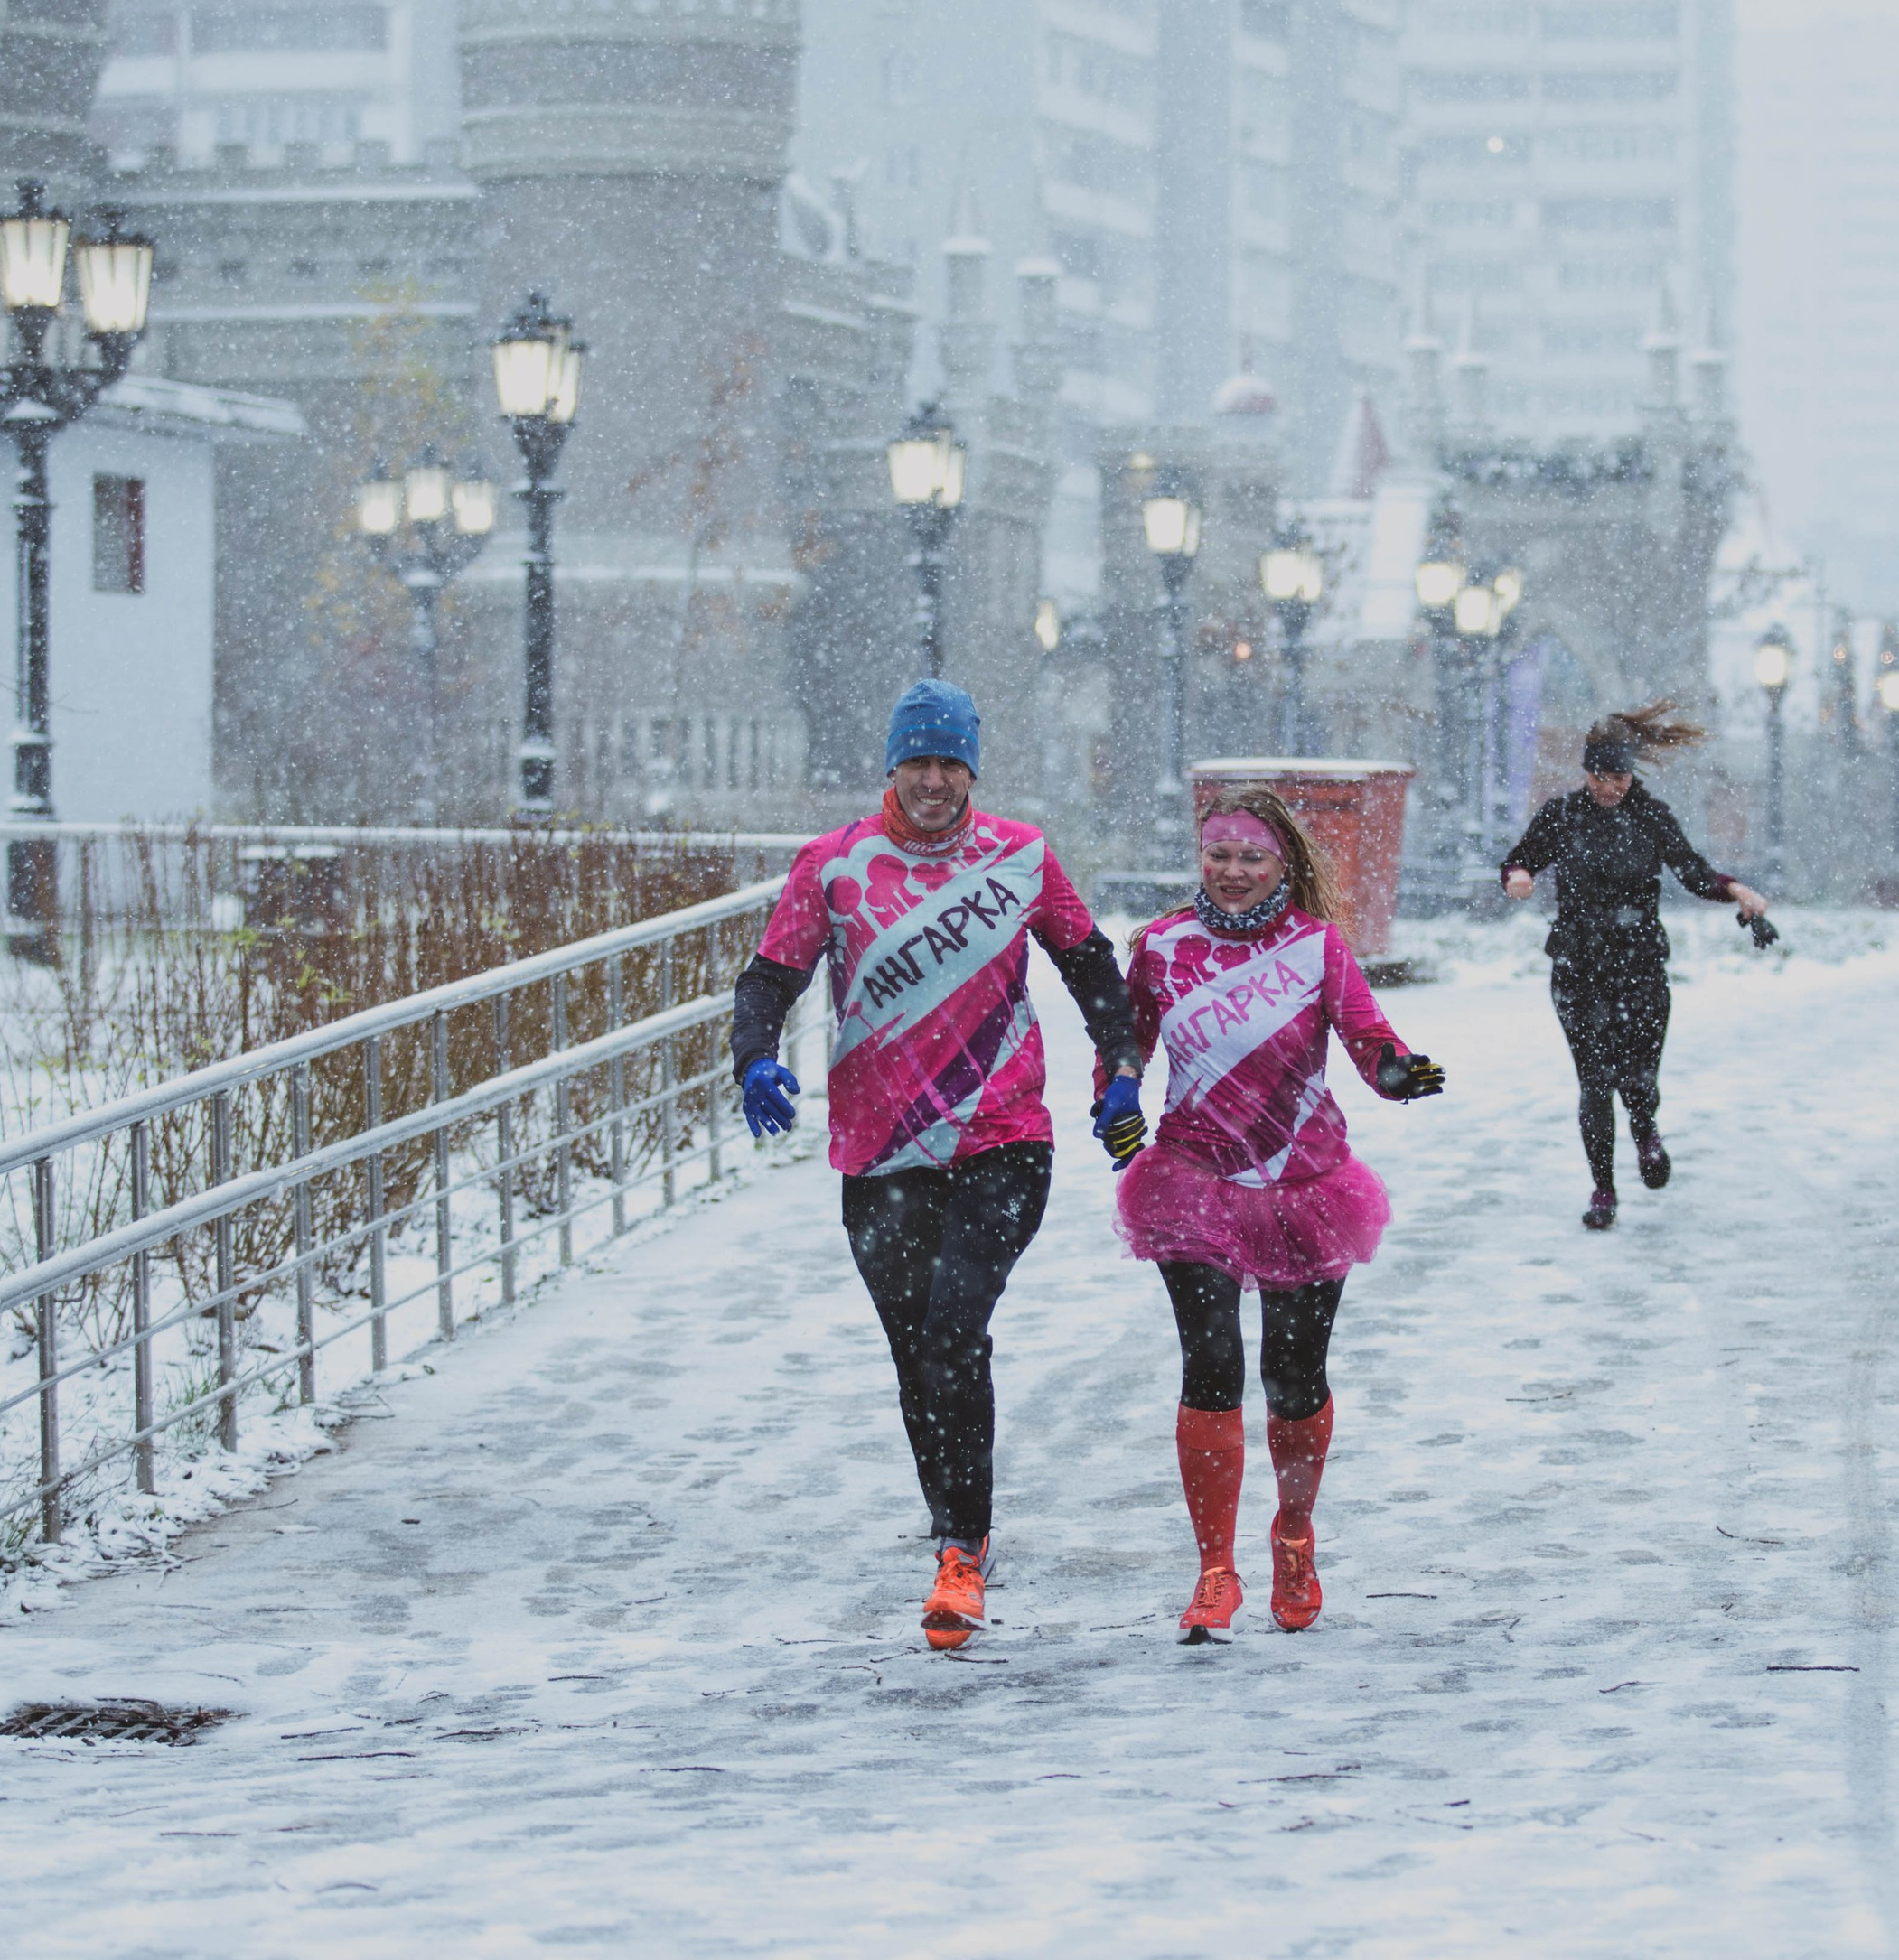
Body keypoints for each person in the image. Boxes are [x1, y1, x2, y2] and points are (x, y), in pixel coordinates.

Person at [732, 678, 1141, 1653]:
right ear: (891, 766)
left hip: (1002, 1137)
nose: (932, 780)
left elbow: (1090, 966)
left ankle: (962, 1546)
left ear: (972, 771)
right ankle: (952, 1508)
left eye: (950, 762)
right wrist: (753, 1055)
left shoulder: (1020, 857)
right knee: (918, 1348)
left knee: (955, 1325)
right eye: (916, 761)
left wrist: (1119, 1070)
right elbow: (770, 977)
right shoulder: (834, 866)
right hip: (878, 1150)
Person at [1109, 790, 1445, 1644]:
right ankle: (1214, 1571)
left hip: (1305, 1184)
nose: (1231, 870)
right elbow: (1128, 1044)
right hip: (1193, 1178)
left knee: (1294, 1382)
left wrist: (1398, 1072)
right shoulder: (1159, 948)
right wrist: (1115, 1096)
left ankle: (1292, 1537)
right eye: (1217, 853)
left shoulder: (1316, 948)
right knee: (1211, 1361)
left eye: (1250, 856)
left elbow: (1370, 1040)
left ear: (1282, 864)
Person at [1500, 700, 1773, 1229]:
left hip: (1640, 963)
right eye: (1602, 776)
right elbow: (1520, 857)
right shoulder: (1562, 816)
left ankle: (1645, 1129)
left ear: (1631, 772)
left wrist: (1735, 889)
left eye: (1620, 776)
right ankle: (1603, 1189)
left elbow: (1693, 872)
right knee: (1595, 1081)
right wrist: (1517, 876)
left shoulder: (1651, 817)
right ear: (1587, 772)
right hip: (1578, 965)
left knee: (1638, 1078)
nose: (1610, 787)